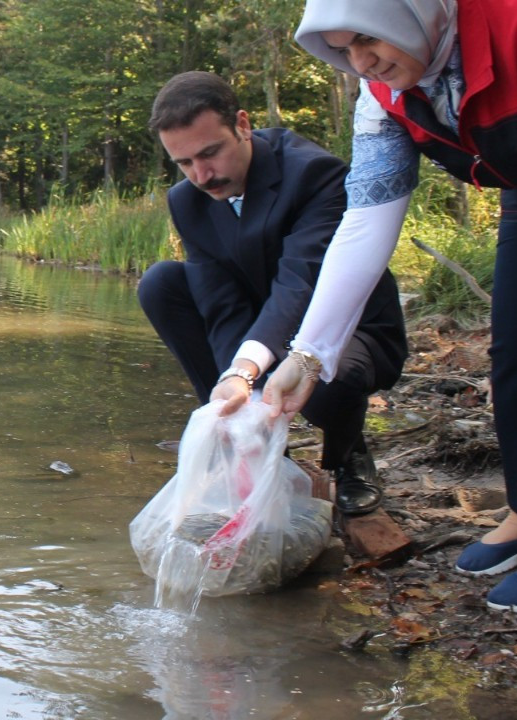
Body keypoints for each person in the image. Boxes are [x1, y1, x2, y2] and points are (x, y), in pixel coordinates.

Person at [271, 0, 517, 611]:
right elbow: (364, 225)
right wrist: (307, 358)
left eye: (366, 38)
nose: (359, 61)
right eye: (343, 50)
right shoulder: (381, 96)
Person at [137, 71, 409, 515]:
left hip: (343, 329)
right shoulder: (187, 200)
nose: (202, 175)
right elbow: (218, 302)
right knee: (161, 283)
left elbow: (299, 284)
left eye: (211, 153)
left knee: (322, 378)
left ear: (242, 125)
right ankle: (251, 444)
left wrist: (248, 367)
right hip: (260, 325)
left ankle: (349, 456)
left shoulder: (314, 174)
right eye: (184, 163)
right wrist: (236, 382)